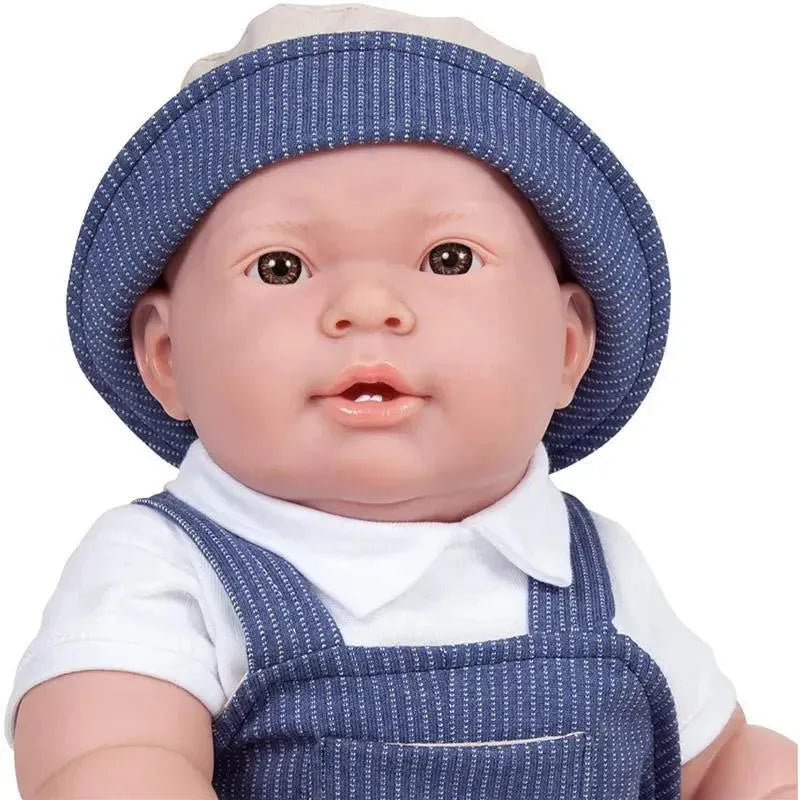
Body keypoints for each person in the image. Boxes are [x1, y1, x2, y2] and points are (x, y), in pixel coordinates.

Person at [6, 4, 797, 798]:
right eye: (281, 267)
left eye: (449, 259)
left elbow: (715, 766)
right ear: (167, 355)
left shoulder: (601, 573)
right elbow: (102, 764)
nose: (367, 306)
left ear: (565, 346)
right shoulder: (162, 573)